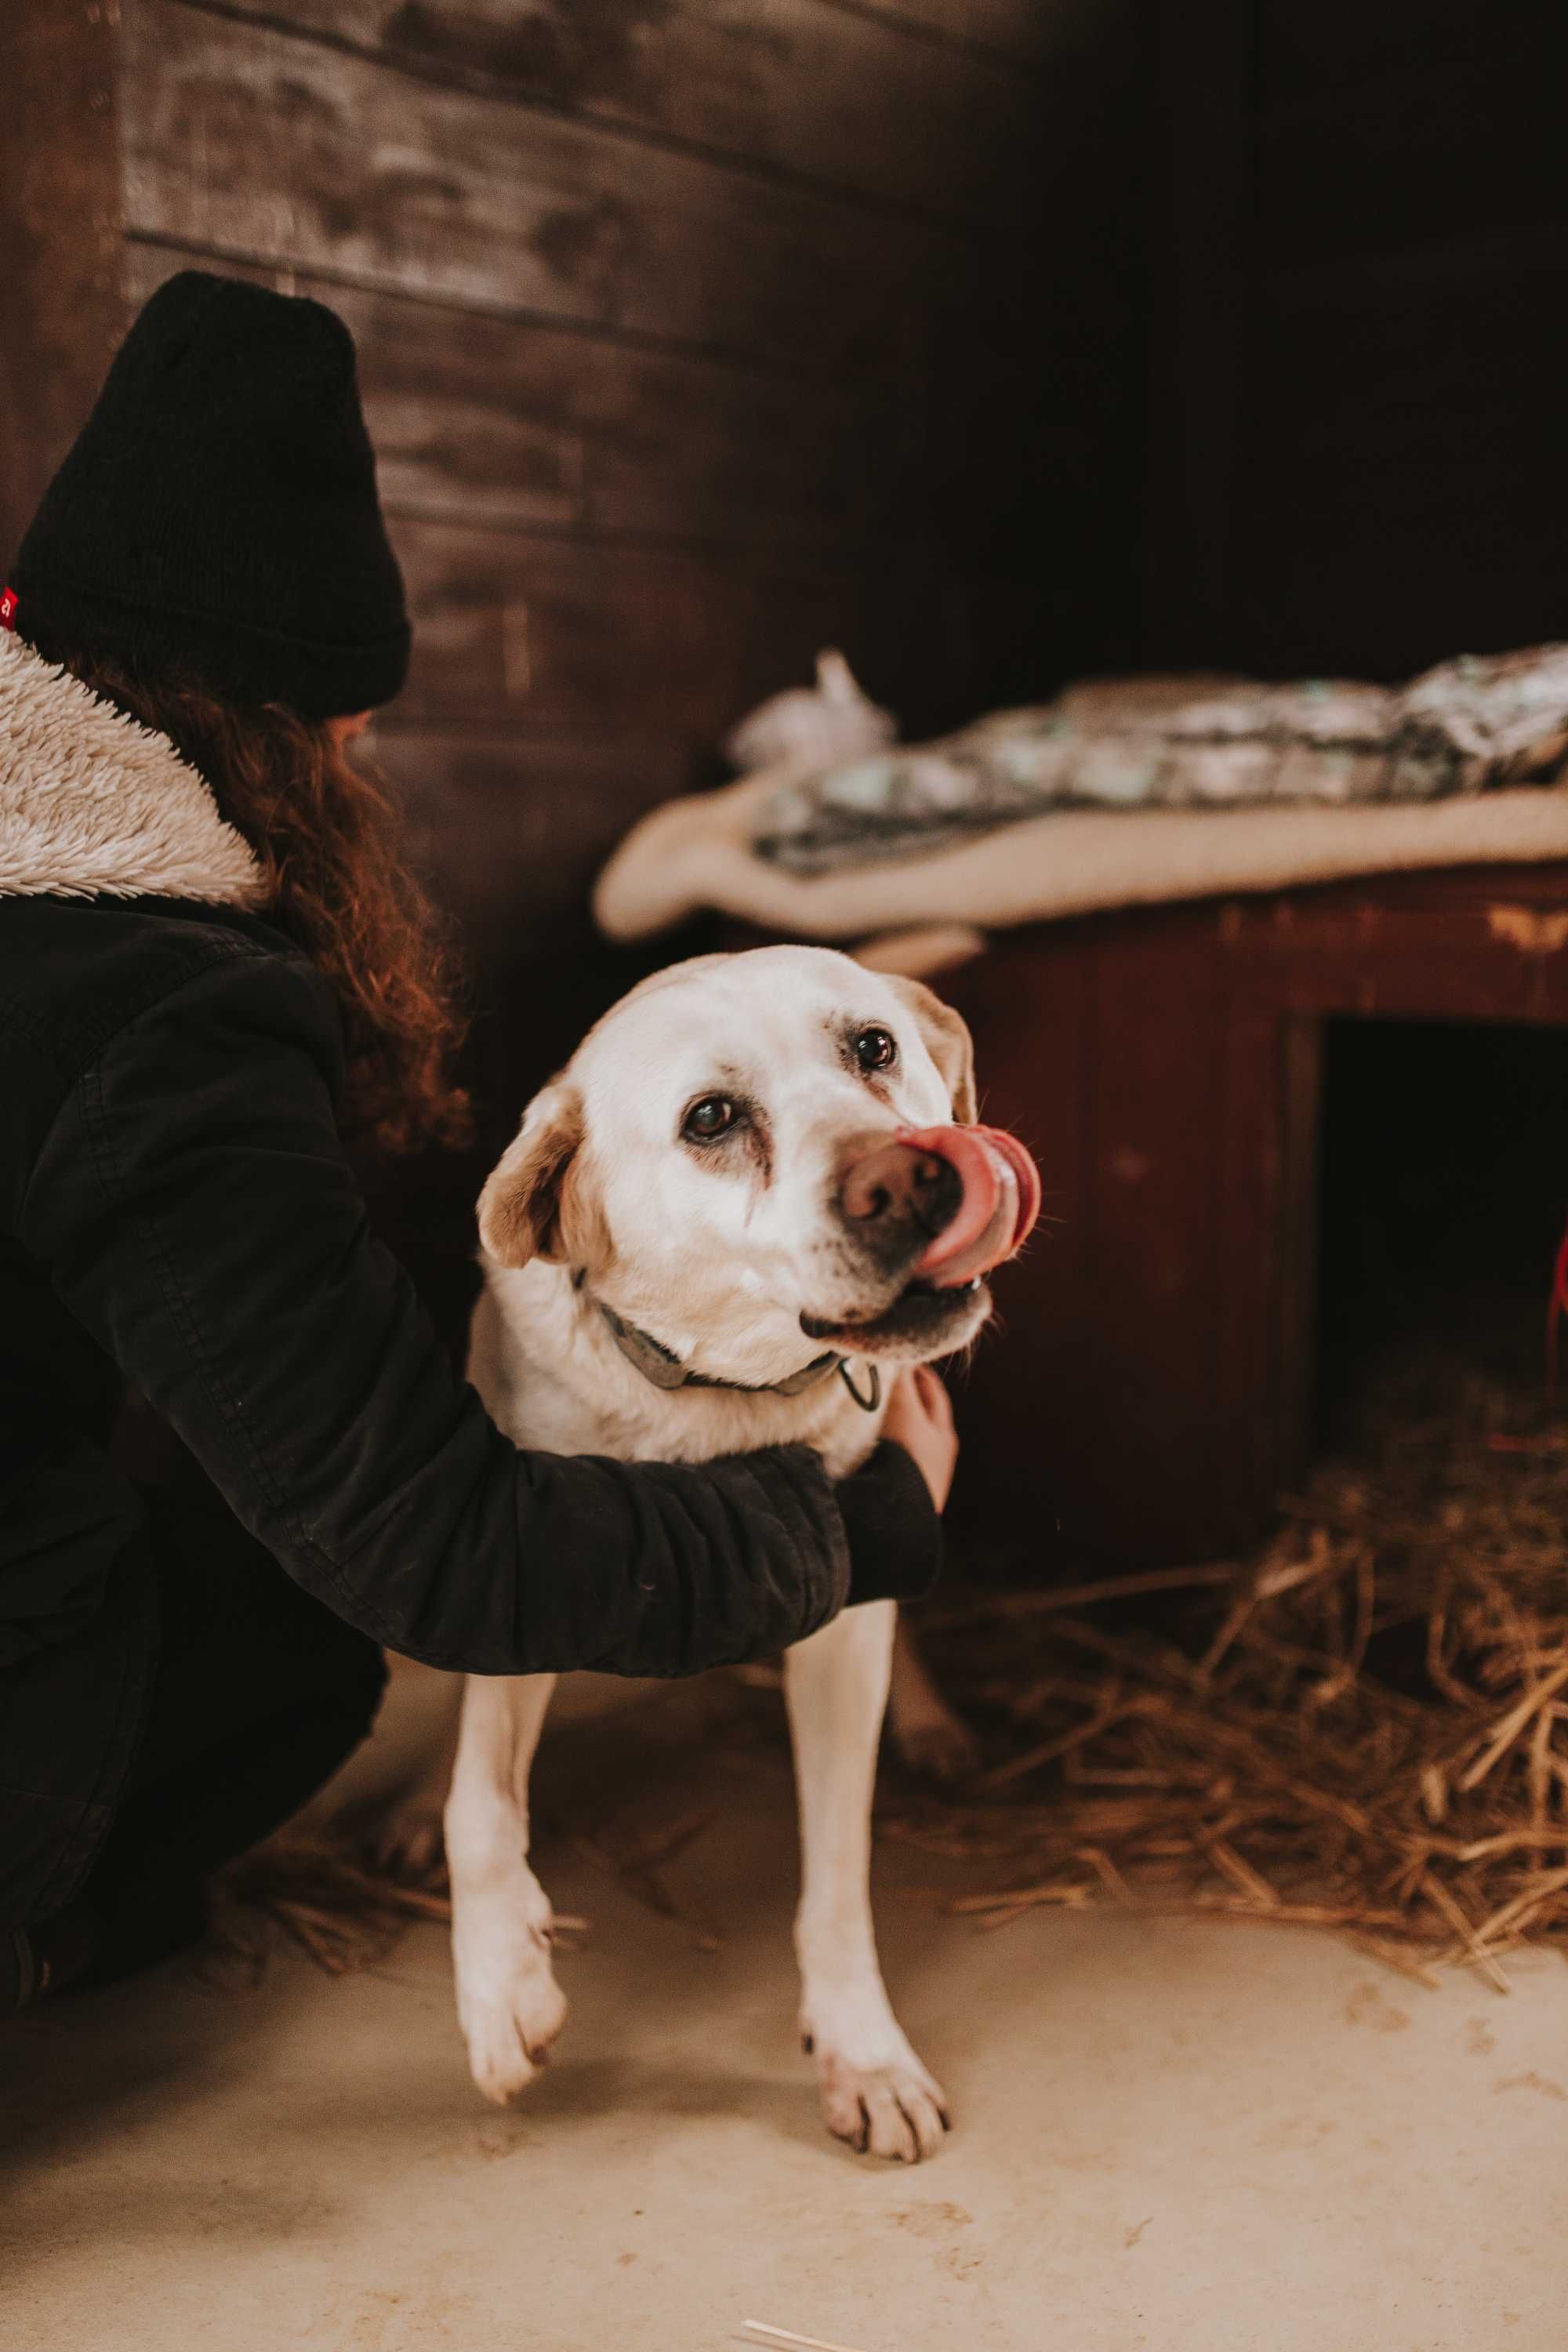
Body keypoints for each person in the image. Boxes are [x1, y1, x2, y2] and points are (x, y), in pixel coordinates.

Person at [0, 273, 956, 2010]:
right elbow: (436, 1551)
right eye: (355, 736)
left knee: (220, 1550)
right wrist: (862, 1529)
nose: (365, 775)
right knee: (301, 1619)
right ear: (292, 732)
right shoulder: (153, 997)